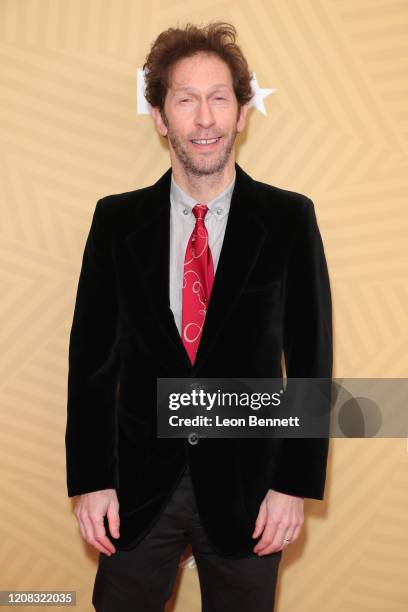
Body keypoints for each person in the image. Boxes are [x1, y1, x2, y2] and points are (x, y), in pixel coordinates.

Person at [65, 20, 333, 612]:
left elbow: (312, 361)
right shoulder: (116, 222)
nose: (204, 118)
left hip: (249, 492)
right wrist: (89, 478)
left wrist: (293, 485)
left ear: (242, 112)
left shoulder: (288, 219)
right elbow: (90, 365)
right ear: (160, 117)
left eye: (219, 99)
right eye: (185, 100)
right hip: (135, 492)